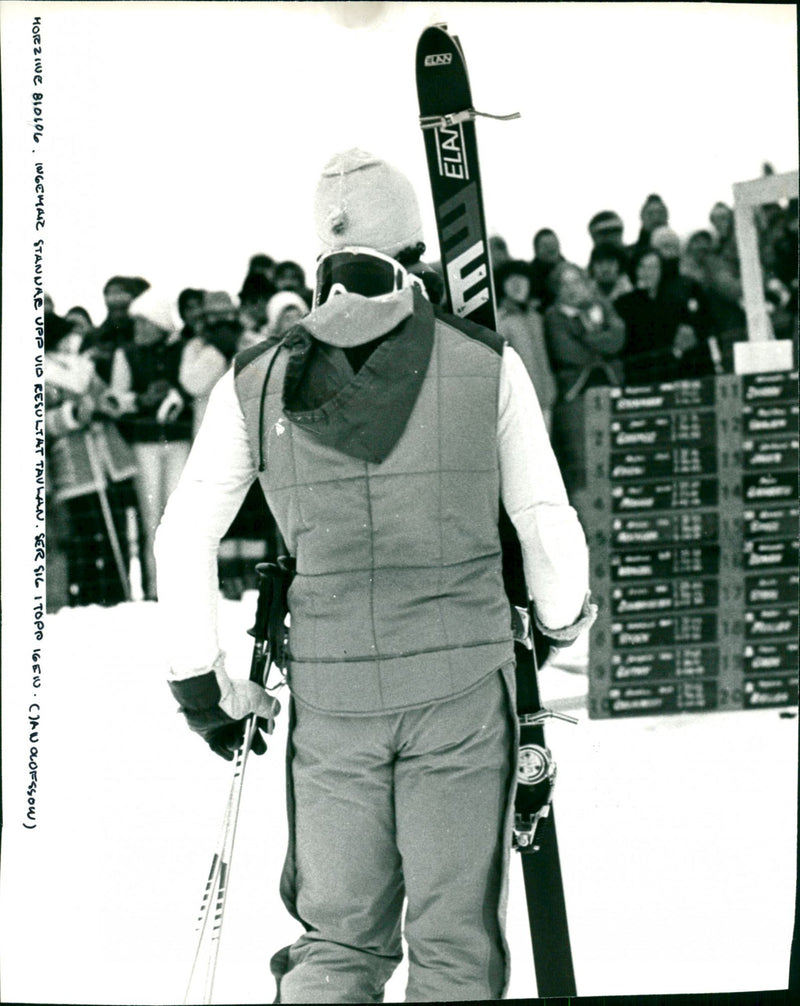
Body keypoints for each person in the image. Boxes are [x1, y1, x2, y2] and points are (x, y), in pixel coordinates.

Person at [155, 148, 593, 1003]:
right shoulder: (483, 360)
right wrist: (560, 614)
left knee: (337, 946)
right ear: (418, 249)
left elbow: (181, 539)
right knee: (454, 948)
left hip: (333, 700)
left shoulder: (257, 376)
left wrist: (204, 690)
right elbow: (546, 523)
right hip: (464, 688)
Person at [110, 291, 193, 598]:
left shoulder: (183, 349)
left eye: (144, 323)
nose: (138, 329)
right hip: (144, 441)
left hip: (180, 437)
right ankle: (156, 587)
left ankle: (182, 585)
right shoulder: (127, 354)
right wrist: (141, 400)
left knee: (179, 511)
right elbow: (117, 399)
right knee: (151, 515)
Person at [543, 261, 625, 528]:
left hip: (610, 388)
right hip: (575, 395)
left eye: (576, 280)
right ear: (557, 289)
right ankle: (591, 528)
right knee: (583, 462)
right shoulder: (554, 316)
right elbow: (568, 352)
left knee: (615, 453)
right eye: (565, 283)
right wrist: (599, 346)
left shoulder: (602, 306)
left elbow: (618, 338)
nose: (572, 288)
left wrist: (591, 344)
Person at [494, 259, 556, 430]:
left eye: (522, 281)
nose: (517, 286)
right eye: (511, 281)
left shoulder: (537, 318)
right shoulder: (501, 321)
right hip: (520, 404)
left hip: (547, 398)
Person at [529, 227, 564, 311]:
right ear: (536, 250)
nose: (551, 248)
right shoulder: (529, 276)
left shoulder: (570, 270)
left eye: (553, 244)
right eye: (545, 245)